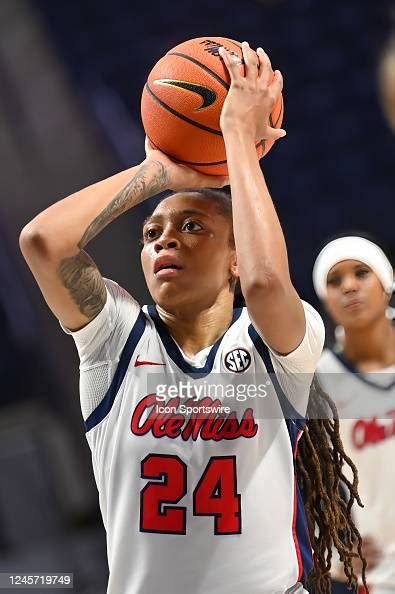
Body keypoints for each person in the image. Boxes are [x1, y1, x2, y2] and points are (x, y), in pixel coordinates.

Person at [20, 42, 363, 594]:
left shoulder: (270, 346)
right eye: (151, 234)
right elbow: (41, 242)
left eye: (192, 228)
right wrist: (157, 171)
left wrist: (235, 141)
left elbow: (266, 281)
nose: (164, 241)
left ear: (235, 256)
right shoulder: (115, 342)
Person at [313, 235, 395, 594]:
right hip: (379, 579)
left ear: (386, 284)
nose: (349, 286)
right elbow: (297, 483)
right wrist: (335, 551)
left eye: (361, 273)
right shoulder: (318, 382)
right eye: (335, 280)